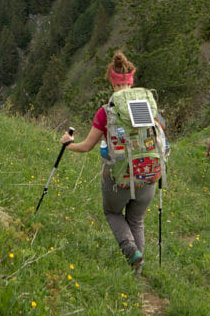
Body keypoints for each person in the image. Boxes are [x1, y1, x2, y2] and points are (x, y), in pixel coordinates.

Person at [60, 51, 162, 273]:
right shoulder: (149, 107)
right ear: (131, 81)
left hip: (119, 179)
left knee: (113, 213)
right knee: (136, 220)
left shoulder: (107, 112)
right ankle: (137, 270)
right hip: (148, 176)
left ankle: (130, 251)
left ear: (112, 83)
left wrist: (68, 145)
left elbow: (87, 146)